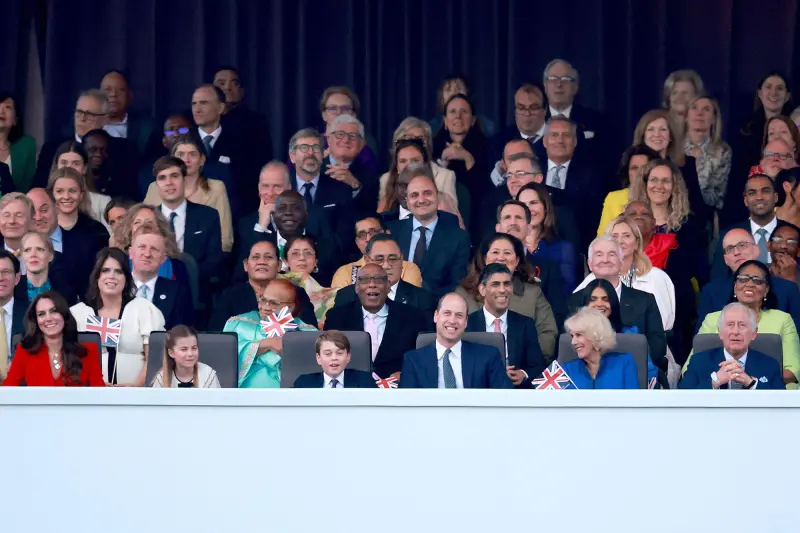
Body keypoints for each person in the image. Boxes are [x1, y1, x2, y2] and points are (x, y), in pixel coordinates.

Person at [692, 260, 799, 387]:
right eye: (743, 279)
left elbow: (793, 371)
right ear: (735, 287)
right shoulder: (712, 318)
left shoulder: (782, 319)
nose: (749, 284)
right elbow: (690, 370)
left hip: (771, 394)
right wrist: (719, 379)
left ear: (766, 290)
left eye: (757, 280)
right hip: (717, 392)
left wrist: (749, 379)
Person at [569, 236, 667, 372]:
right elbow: (567, 345)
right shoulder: (574, 301)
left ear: (621, 262)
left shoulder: (645, 300)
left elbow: (658, 347)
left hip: (635, 373)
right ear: (590, 264)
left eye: (612, 254)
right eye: (599, 255)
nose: (605, 260)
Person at [71, 247, 165, 386]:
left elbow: (154, 360)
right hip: (88, 395)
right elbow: (67, 359)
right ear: (96, 276)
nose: (111, 276)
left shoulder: (144, 309)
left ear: (126, 279)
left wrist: (135, 387)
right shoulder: (77, 313)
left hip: (135, 398)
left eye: (118, 271)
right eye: (105, 270)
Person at [457, 233, 558, 358]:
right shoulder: (463, 294)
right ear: (484, 259)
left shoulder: (533, 294)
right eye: (495, 252)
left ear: (517, 261)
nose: (501, 258)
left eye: (507, 253)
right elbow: (453, 333)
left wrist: (524, 362)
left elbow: (548, 333)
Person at [324, 263, 429, 380]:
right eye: (365, 280)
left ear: (388, 286)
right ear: (357, 287)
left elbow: (423, 358)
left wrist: (406, 373)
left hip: (395, 390)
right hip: (350, 388)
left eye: (379, 280)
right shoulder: (337, 317)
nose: (372, 284)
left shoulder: (413, 317)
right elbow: (327, 356)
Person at [575, 215, 675, 332]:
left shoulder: (656, 277)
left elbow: (663, 323)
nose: (620, 241)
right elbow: (576, 316)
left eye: (626, 236)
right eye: (614, 237)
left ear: (637, 243)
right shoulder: (593, 279)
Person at [233, 161, 335, 270]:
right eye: (265, 186)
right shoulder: (246, 224)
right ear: (258, 188)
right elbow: (242, 271)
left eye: (277, 186)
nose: (270, 193)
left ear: (289, 187)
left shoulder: (316, 217)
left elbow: (328, 260)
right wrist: (261, 227)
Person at [400, 292, 512, 389]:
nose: (452, 320)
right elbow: (406, 406)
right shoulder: (413, 361)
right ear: (436, 316)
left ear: (466, 322)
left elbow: (506, 400)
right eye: (447, 313)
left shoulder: (489, 356)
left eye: (459, 315)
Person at [386, 170, 470, 297]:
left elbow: (456, 283)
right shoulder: (391, 232)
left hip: (437, 308)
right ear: (407, 202)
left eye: (427, 193)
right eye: (414, 195)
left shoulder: (458, 237)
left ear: (437, 197)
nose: (421, 200)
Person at [34, 89, 139, 191]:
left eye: (89, 114)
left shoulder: (124, 150)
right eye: (79, 112)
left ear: (105, 119)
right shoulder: (51, 149)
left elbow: (128, 193)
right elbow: (38, 190)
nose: (82, 119)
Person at [699, 228, 800, 333]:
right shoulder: (711, 291)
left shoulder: (788, 289)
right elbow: (702, 341)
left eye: (742, 245)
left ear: (757, 250)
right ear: (726, 259)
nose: (736, 252)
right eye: (730, 249)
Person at [144, 136, 233, 252]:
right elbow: (144, 228)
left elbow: (226, 239)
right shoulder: (155, 187)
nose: (186, 160)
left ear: (202, 160)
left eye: (192, 154)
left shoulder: (216, 188)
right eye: (180, 154)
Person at [223, 278, 317, 388]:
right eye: (263, 300)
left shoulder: (307, 331)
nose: (266, 307)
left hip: (289, 396)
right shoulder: (238, 324)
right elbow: (224, 357)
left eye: (274, 303)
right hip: (246, 393)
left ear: (290, 307)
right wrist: (266, 344)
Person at [465, 263, 547, 385]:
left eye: (507, 284)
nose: (502, 290)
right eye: (495, 284)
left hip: (515, 395)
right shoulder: (468, 324)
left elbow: (538, 366)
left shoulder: (525, 324)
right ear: (482, 290)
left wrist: (523, 374)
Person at [628, 158, 708, 282]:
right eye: (653, 180)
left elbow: (699, 271)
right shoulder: (628, 222)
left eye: (666, 181)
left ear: (674, 186)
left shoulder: (689, 226)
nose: (659, 186)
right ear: (645, 184)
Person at [2, 291, 105, 386]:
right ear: (36, 320)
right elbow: (7, 392)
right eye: (41, 314)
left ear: (64, 314)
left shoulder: (88, 351)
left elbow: (100, 396)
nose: (48, 318)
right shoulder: (24, 352)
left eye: (54, 311)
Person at [210, 240, 318, 330]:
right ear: (246, 265)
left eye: (268, 257)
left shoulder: (296, 293)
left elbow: (310, 334)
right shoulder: (229, 296)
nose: (262, 262)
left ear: (279, 265)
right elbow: (218, 338)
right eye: (255, 257)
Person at [151, 156, 223, 287]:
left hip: (196, 290)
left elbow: (214, 262)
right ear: (156, 185)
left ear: (185, 181)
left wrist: (182, 276)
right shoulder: (149, 217)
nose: (169, 182)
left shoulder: (208, 216)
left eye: (174, 176)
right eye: (162, 178)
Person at [576, 278, 661, 386]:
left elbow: (647, 373)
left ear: (613, 304)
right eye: (593, 299)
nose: (599, 304)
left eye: (605, 299)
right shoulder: (573, 336)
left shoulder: (631, 336)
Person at [680, 303, 785, 390]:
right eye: (730, 325)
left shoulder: (770, 364)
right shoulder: (699, 361)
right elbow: (682, 399)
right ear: (720, 332)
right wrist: (715, 381)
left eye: (742, 325)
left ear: (754, 333)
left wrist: (751, 384)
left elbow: (783, 403)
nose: (735, 332)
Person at [538, 115, 605, 251]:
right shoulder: (534, 171)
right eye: (554, 135)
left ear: (574, 141)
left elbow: (592, 219)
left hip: (576, 246)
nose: (560, 140)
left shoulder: (591, 176)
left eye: (566, 135)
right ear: (544, 141)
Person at [333, 234, 437, 317]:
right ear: (367, 261)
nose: (386, 265)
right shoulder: (346, 297)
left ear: (401, 260)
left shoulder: (423, 300)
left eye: (393, 259)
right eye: (379, 259)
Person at [632, 109, 708, 222]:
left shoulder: (687, 165)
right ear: (643, 136)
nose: (656, 134)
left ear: (671, 135)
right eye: (651, 129)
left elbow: (697, 207)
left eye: (662, 129)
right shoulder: (633, 164)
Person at [47, 167, 110, 297]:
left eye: (72, 191)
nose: (66, 196)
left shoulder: (97, 232)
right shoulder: (42, 230)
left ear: (81, 194)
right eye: (59, 191)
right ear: (51, 195)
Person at [190, 83, 250, 215]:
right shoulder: (183, 143)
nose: (197, 109)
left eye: (204, 103)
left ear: (221, 107)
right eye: (194, 103)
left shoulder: (241, 142)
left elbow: (245, 187)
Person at [378, 116, 458, 212]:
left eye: (419, 140)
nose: (412, 144)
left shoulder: (445, 176)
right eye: (408, 139)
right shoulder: (386, 180)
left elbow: (451, 217)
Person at [505, 189, 578, 292]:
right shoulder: (504, 249)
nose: (529, 209)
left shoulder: (563, 249)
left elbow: (566, 293)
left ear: (545, 208)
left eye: (533, 203)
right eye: (523, 204)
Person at [378, 136, 462, 225]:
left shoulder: (440, 199)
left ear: (425, 164)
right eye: (403, 161)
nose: (408, 165)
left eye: (415, 160)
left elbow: (457, 233)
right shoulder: (388, 199)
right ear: (397, 167)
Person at [288, 127, 353, 240]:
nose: (311, 153)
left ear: (323, 155)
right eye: (304, 148)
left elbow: (344, 236)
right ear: (292, 157)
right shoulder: (282, 188)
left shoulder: (341, 190)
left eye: (316, 148)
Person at [711, 174, 779, 278]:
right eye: (752, 193)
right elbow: (718, 278)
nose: (759, 197)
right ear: (745, 200)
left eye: (765, 191)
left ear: (775, 197)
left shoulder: (792, 232)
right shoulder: (729, 234)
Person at [432, 93, 492, 210]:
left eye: (464, 111)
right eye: (452, 111)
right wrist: (442, 163)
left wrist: (468, 158)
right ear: (445, 120)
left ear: (473, 120)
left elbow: (485, 191)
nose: (458, 116)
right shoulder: (433, 147)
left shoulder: (487, 147)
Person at [109, 203, 191, 289]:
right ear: (128, 230)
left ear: (160, 230)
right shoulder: (118, 263)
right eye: (137, 222)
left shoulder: (177, 266)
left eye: (149, 222)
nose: (143, 226)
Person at [129, 223, 194, 329]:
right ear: (131, 253)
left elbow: (182, 333)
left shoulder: (178, 291)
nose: (147, 254)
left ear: (163, 258)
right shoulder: (119, 287)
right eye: (142, 247)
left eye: (154, 249)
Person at [330, 215, 422, 289]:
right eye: (362, 235)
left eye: (374, 231)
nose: (369, 238)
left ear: (387, 234)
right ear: (357, 243)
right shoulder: (345, 273)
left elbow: (409, 305)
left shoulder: (407, 268)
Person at [561, 307, 639, 389]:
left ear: (595, 335)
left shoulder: (624, 363)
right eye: (572, 336)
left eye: (579, 335)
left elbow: (633, 400)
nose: (573, 342)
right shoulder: (567, 370)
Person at [213, 65, 273, 166]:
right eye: (221, 83)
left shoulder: (255, 122)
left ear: (242, 92)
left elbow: (263, 160)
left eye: (235, 83)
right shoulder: (196, 118)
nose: (227, 87)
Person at [322, 114, 379, 217]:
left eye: (352, 136)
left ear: (361, 144)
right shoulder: (314, 169)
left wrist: (355, 186)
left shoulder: (370, 177)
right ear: (329, 139)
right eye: (340, 134)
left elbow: (369, 214)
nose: (345, 140)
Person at [596, 144, 661, 235]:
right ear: (628, 173)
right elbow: (603, 238)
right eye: (634, 168)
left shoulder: (661, 196)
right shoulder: (614, 198)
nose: (639, 173)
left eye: (644, 168)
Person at [684, 95, 732, 213]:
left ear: (713, 119)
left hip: (704, 216)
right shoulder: (674, 148)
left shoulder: (722, 152)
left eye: (706, 109)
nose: (699, 113)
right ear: (686, 116)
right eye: (694, 108)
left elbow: (716, 197)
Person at [317, 86, 379, 173]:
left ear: (354, 114)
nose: (339, 112)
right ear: (324, 115)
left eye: (345, 108)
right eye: (332, 108)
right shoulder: (312, 142)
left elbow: (371, 176)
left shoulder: (365, 144)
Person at [49, 140, 112, 226]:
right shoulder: (44, 199)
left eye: (75, 163)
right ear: (56, 166)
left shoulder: (102, 203)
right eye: (64, 163)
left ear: (85, 168)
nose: (69, 168)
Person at [542, 59, 604, 144]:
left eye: (565, 79)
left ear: (575, 87)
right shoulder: (536, 120)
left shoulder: (595, 120)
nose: (559, 84)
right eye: (553, 79)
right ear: (545, 86)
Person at [281, 235, 338, 327]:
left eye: (308, 253)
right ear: (286, 261)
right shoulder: (274, 285)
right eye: (295, 254)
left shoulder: (333, 293)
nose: (302, 258)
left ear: (316, 261)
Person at [293, 330, 378, 388]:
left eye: (339, 353)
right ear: (318, 358)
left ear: (348, 357)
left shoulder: (365, 381)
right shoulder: (303, 383)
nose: (334, 358)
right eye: (328, 354)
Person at [100, 70, 155, 154]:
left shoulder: (146, 130)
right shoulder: (84, 123)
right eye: (108, 89)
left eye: (121, 90)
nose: (113, 94)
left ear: (130, 95)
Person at [428, 74, 497, 138]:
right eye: (449, 89)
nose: (454, 93)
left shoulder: (487, 126)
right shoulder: (432, 127)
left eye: (459, 88)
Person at [18, 231, 77, 305]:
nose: (33, 254)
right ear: (22, 256)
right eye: (27, 250)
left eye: (39, 249)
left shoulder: (66, 293)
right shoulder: (13, 290)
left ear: (51, 256)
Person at [492, 82, 548, 160]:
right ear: (515, 110)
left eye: (533, 108)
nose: (527, 113)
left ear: (545, 110)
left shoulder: (559, 140)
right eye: (521, 108)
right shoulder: (498, 143)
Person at [151, 325, 220, 388]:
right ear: (171, 353)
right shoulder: (162, 378)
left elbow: (217, 400)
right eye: (184, 349)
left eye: (194, 348)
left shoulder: (208, 374)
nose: (190, 354)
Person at [0, 92, 36, 192]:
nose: (1, 110)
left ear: (15, 120)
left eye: (7, 107)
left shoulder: (26, 146)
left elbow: (26, 189)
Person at [0, 251, 27, 381]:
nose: (0, 277)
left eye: (6, 272)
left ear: (17, 278)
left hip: (21, 389)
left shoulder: (31, 314)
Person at [662, 69, 704, 134]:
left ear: (696, 96)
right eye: (674, 93)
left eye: (684, 93)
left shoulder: (705, 125)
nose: (679, 97)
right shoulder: (657, 125)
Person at [0, 192, 34, 263]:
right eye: (6, 215)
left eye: (19, 215)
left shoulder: (48, 257)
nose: (12, 221)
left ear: (31, 221)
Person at [768, 222, 800, 287]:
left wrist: (789, 279)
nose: (783, 246)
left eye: (791, 242)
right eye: (778, 239)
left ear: (798, 251)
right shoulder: (758, 271)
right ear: (768, 246)